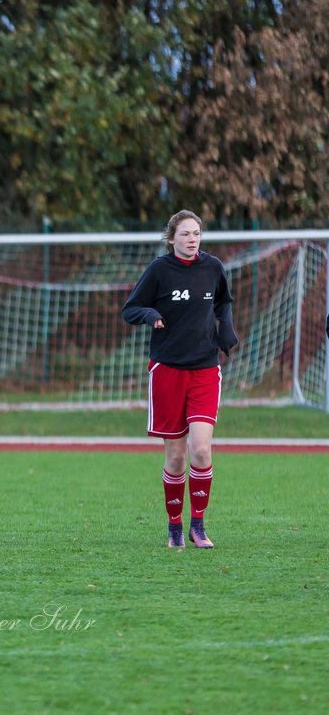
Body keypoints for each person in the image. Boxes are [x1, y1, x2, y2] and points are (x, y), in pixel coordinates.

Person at [121, 210, 238, 550]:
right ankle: (174, 528)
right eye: (185, 233)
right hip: (168, 370)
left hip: (204, 368)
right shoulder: (159, 270)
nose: (192, 239)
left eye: (197, 233)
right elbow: (131, 309)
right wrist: (151, 314)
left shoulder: (212, 267)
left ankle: (197, 527)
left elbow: (223, 303)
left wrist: (225, 333)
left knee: (201, 449)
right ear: (171, 238)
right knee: (175, 457)